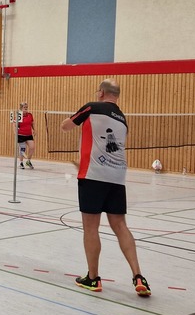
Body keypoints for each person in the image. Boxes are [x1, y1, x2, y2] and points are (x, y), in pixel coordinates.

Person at [60, 79, 150, 297]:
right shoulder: (123, 119)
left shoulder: (92, 107)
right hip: (117, 177)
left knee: (91, 227)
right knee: (120, 225)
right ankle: (139, 276)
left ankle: (93, 278)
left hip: (93, 176)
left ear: (101, 92)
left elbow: (65, 126)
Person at [17, 101, 36, 170]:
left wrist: (34, 130)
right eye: (24, 107)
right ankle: (21, 163)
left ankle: (28, 161)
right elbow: (15, 124)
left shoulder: (30, 115)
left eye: (26, 107)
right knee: (22, 149)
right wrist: (15, 132)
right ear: (21, 108)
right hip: (21, 134)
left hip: (29, 134)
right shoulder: (19, 115)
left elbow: (32, 123)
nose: (26, 108)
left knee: (32, 147)